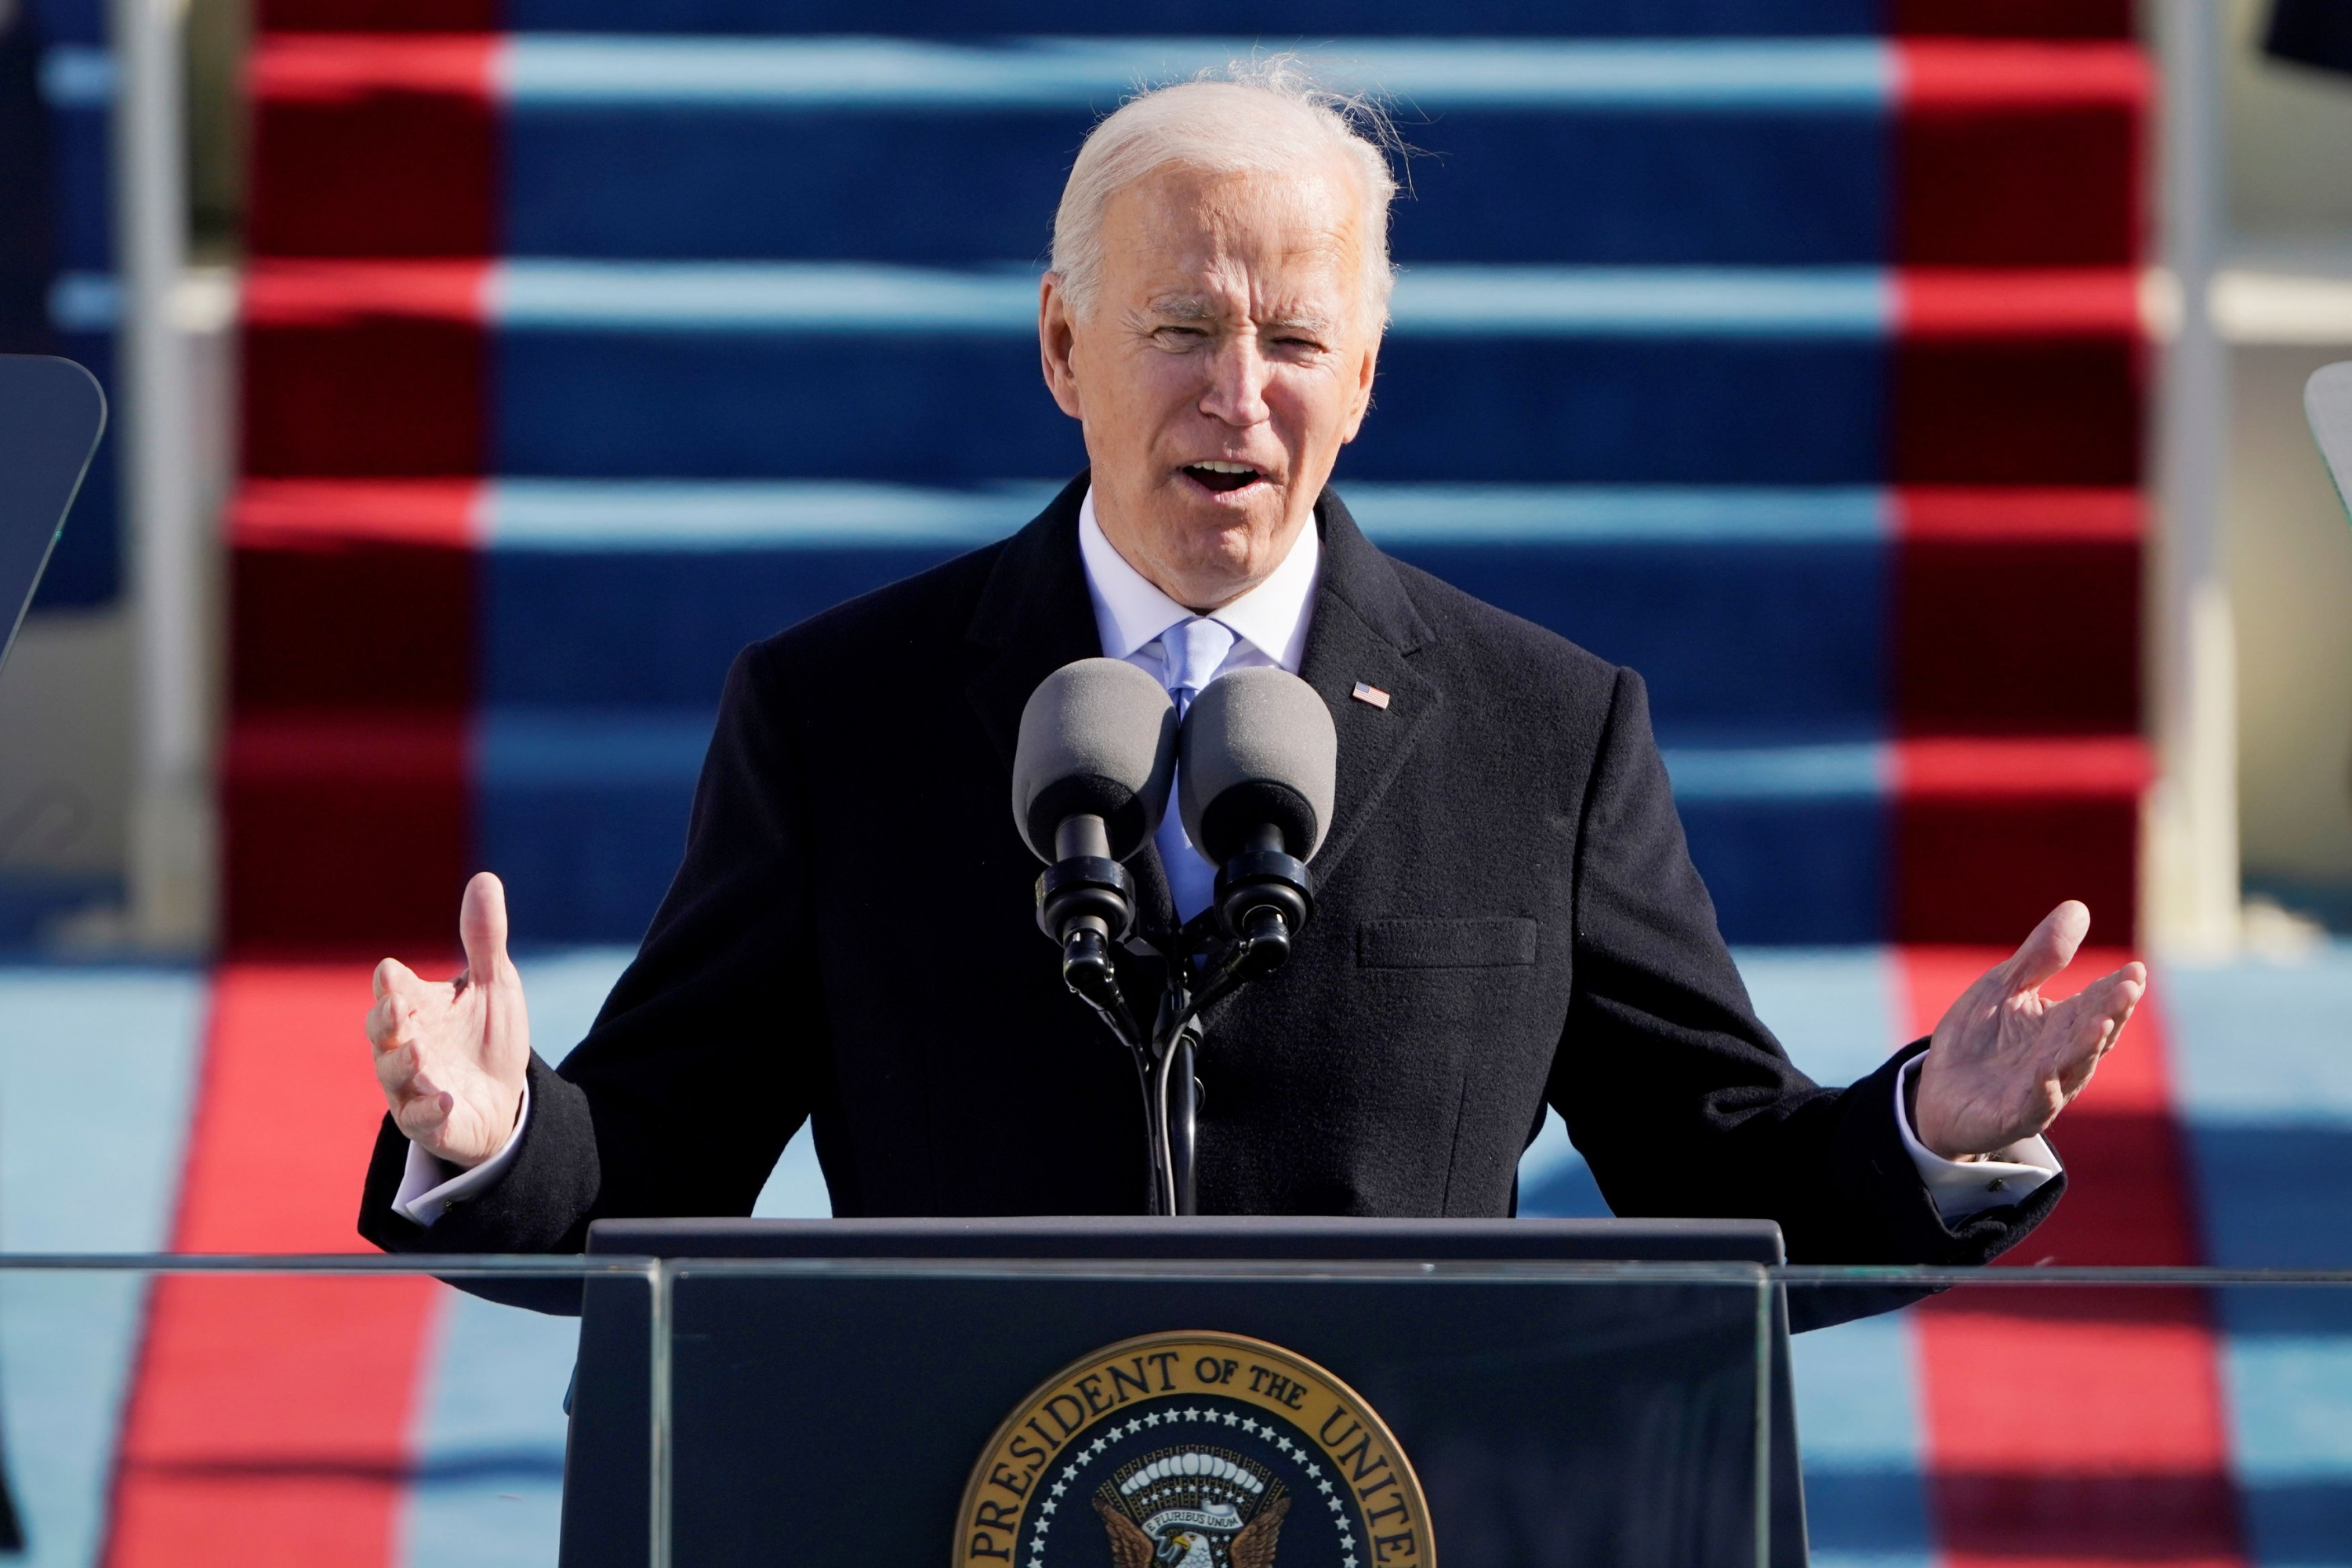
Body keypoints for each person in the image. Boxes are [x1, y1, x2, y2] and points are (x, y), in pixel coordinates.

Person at [358, 63, 2145, 1265]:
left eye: (1297, 337)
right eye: (1180, 327)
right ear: (1063, 346)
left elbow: (1723, 1172)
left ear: (1364, 378)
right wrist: (497, 1128)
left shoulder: (1548, 732)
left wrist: (1935, 1124)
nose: (1239, 392)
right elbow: (665, 1155)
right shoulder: (843, 717)